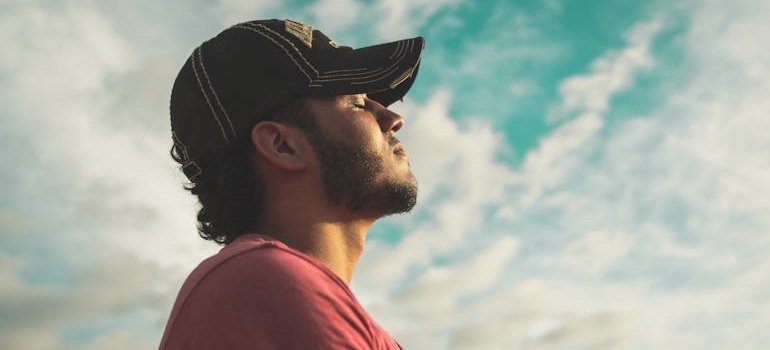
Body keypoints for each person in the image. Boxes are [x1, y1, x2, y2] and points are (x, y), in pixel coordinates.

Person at [159, 18, 424, 349]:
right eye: (357, 103)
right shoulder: (263, 281)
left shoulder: (278, 289)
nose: (392, 119)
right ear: (282, 146)